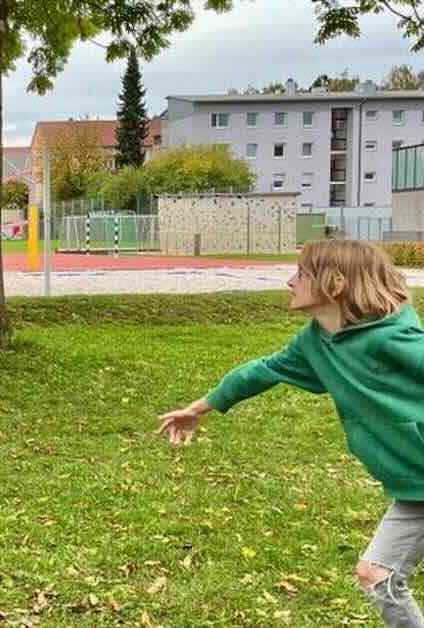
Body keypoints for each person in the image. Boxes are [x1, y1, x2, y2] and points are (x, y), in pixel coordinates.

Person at [158, 239, 424, 627]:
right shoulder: (316, 342)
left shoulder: (393, 339)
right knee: (375, 574)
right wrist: (198, 408)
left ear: (334, 283)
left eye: (301, 274)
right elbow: (261, 372)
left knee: (378, 574)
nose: (289, 281)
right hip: (415, 487)